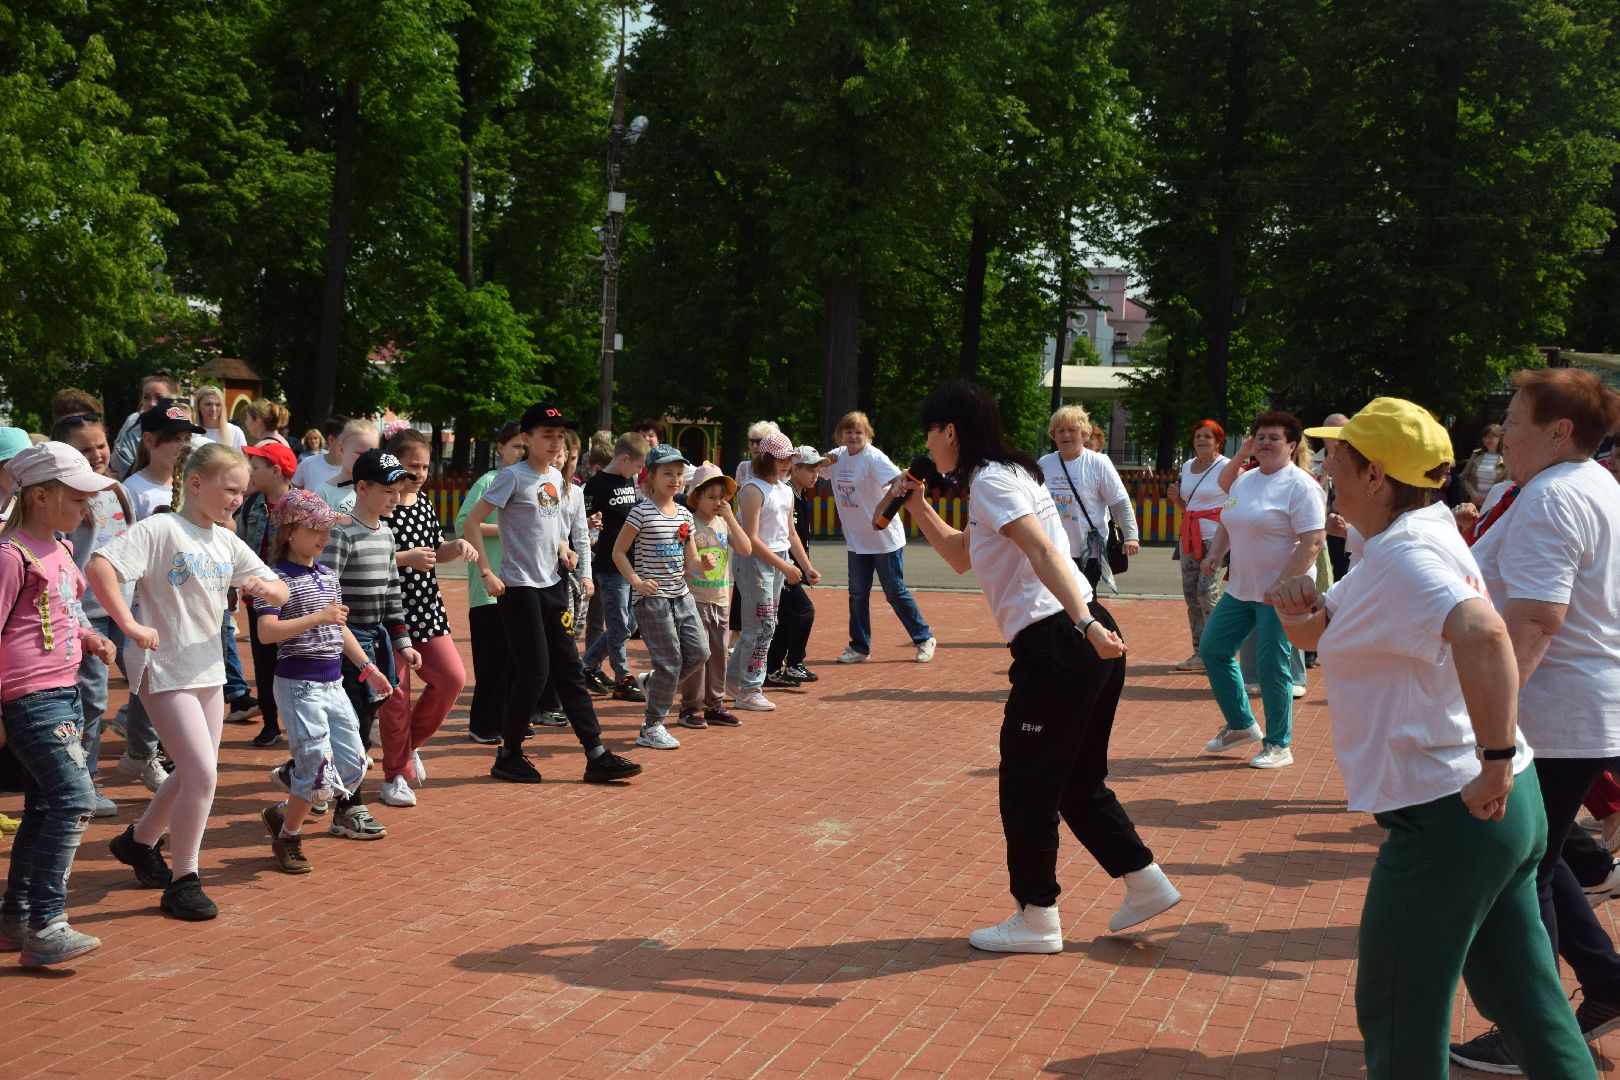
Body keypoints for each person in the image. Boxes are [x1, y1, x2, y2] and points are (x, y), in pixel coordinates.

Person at [1265, 398, 1595, 1079]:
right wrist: (1299, 613)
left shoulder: (1409, 554)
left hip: (1452, 814)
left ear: (1378, 475)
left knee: (1397, 1008)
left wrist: (1494, 759)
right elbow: (1325, 631)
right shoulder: (1410, 536)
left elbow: (1483, 631)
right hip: (1492, 812)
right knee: (1527, 1003)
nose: (1326, 464)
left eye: (1339, 455)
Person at [900, 378, 1180, 952]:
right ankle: (1144, 881)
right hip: (1081, 633)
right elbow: (961, 558)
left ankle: (1036, 916)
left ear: (949, 431)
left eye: (931, 432)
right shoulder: (1010, 475)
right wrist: (919, 508)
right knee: (1075, 780)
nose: (928, 445)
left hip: (1062, 640)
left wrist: (1083, 624)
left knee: (1027, 783)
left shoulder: (994, 481)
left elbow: (1044, 551)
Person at [1450, 367, 1620, 1074]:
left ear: (1560, 430)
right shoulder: (1585, 485)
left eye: (1515, 422)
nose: (1502, 436)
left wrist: (1495, 726)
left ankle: (1536, 1031)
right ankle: (1605, 985)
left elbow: (1538, 618)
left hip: (1550, 715)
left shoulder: (1552, 498)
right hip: (1574, 709)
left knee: (1523, 874)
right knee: (1541, 867)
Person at [89, 443, 288, 921]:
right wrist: (131, 625)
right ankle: (184, 880)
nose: (237, 499)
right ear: (196, 483)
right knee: (201, 773)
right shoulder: (161, 529)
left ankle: (138, 842)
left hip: (209, 672)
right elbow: (100, 568)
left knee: (191, 772)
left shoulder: (225, 541)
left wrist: (267, 588)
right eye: (230, 489)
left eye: (244, 492)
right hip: (164, 670)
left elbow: (279, 587)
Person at [459, 402, 643, 786]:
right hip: (519, 589)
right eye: (546, 435)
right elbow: (472, 522)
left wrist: (564, 547)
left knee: (570, 671)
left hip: (552, 586)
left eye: (559, 436)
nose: (556, 443)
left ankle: (596, 754)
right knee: (534, 671)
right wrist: (486, 571)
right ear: (526, 439)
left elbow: (546, 527)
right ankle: (509, 754)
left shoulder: (558, 482)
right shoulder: (511, 477)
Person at [0, 442, 121, 965]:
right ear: (41, 496)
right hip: (29, 698)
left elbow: (69, 609)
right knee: (76, 800)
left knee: (46, 805)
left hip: (63, 691)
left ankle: (17, 920)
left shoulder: (64, 548)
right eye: (77, 498)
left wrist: (91, 636)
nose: (85, 509)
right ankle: (48, 922)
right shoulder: (10, 556)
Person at [254, 489, 395, 874]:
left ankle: (285, 801)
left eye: (327, 530)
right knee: (317, 771)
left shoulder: (327, 575)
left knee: (352, 767)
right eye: (315, 528)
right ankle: (288, 837)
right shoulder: (274, 578)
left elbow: (340, 628)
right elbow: (267, 632)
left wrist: (369, 668)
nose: (323, 537)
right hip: (298, 684)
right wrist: (316, 618)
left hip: (333, 684)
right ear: (288, 532)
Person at [1197, 412, 1326, 769]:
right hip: (1241, 589)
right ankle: (1241, 725)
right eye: (1260, 437)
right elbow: (1228, 520)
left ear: (1292, 446)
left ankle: (1279, 744)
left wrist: (1283, 583)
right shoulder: (1244, 481)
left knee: (1272, 667)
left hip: (1280, 594)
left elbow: (1313, 540)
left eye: (1274, 438)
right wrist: (1214, 554)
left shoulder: (1301, 485)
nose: (1265, 443)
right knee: (1214, 649)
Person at [373, 428, 474, 807]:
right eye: (412, 466)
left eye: (425, 466)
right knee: (396, 696)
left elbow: (434, 551)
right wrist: (405, 558)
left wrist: (454, 548)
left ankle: (406, 747)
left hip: (427, 607)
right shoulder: (377, 504)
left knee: (452, 678)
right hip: (388, 613)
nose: (420, 473)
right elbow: (364, 553)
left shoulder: (425, 503)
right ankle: (394, 774)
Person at [49, 404, 131, 817]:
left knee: (153, 683)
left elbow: (134, 543)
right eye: (87, 449)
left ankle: (144, 753)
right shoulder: (62, 500)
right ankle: (87, 779)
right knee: (94, 699)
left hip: (127, 606)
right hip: (88, 612)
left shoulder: (119, 489)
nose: (99, 453)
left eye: (102, 444)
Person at [614, 443, 713, 750]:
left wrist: (702, 564)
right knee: (670, 662)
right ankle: (651, 726)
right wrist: (636, 582)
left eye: (679, 474)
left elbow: (690, 559)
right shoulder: (640, 512)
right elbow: (618, 552)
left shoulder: (684, 512)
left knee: (700, 653)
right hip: (652, 599)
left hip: (681, 595)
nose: (675, 480)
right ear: (652, 477)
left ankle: (653, 682)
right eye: (667, 473)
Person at [823, 412, 935, 665]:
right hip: (857, 540)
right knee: (857, 593)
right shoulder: (837, 456)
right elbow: (812, 469)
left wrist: (884, 507)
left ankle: (924, 637)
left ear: (868, 435)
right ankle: (860, 647)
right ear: (840, 434)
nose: (853, 436)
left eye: (858, 432)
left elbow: (901, 481)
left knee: (894, 592)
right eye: (848, 432)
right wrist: (811, 459)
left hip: (884, 538)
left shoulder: (873, 458)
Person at [726, 432, 816, 713]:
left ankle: (732, 681)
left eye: (789, 460)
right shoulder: (753, 490)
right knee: (763, 626)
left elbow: (790, 533)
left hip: (777, 561)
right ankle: (749, 689)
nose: (786, 465)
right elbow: (751, 539)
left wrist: (806, 566)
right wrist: (785, 566)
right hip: (755, 562)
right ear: (766, 459)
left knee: (763, 625)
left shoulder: (785, 489)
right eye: (780, 460)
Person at [456, 421, 526, 744]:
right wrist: (503, 530)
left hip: (518, 587)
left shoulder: (528, 484)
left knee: (516, 661)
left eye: (525, 448)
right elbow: (463, 524)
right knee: (492, 662)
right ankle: (482, 724)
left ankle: (509, 719)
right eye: (515, 446)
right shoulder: (488, 482)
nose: (521, 453)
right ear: (500, 448)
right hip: (487, 592)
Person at [1038, 405, 1140, 594]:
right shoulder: (1045, 464)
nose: (1066, 435)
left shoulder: (1098, 463)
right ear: (1053, 435)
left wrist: (1131, 536)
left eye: (1072, 430)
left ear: (1084, 434)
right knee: (1054, 602)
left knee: (1083, 599)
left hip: (1089, 551)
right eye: (1060, 430)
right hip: (1054, 548)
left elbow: (1119, 502)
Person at [679, 464, 750, 729]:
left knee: (719, 653)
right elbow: (686, 558)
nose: (717, 502)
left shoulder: (723, 522)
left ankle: (714, 704)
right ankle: (690, 706)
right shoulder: (688, 522)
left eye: (721, 496)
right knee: (698, 653)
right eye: (710, 497)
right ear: (697, 496)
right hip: (695, 597)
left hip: (720, 597)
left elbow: (745, 548)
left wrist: (731, 519)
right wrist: (700, 562)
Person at [237, 441, 298, 748]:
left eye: (256, 466)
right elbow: (241, 545)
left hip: (293, 599)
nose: (250, 471)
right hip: (258, 598)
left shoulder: (300, 505)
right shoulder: (250, 504)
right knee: (263, 661)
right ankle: (270, 722)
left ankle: (298, 720)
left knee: (294, 659)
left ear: (275, 472)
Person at [580, 432, 649, 701]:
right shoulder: (596, 485)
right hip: (609, 565)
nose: (639, 471)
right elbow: (583, 520)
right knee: (620, 623)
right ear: (623, 458)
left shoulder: (628, 480)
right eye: (637, 465)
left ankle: (584, 665)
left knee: (629, 623)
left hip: (631, 563)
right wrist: (591, 527)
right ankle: (623, 677)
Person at [1168, 419, 1229, 671]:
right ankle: (1199, 653)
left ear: (1218, 441)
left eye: (1207, 436)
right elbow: (1190, 507)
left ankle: (1217, 650)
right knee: (1191, 595)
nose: (1202, 440)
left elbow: (1239, 500)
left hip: (1217, 537)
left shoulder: (1227, 467)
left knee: (1207, 593)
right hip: (1189, 536)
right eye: (1198, 436)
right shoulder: (1186, 466)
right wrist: (1176, 500)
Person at [766, 446, 824, 686]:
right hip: (780, 566)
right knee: (803, 611)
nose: (815, 475)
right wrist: (791, 566)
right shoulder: (783, 492)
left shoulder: (799, 494)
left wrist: (806, 566)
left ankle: (773, 668)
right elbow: (785, 535)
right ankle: (793, 664)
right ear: (795, 467)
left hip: (792, 568)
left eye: (817, 470)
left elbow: (795, 535)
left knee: (787, 617)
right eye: (810, 469)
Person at [125, 400, 204, 518]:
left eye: (187, 438)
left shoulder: (193, 483)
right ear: (149, 440)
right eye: (176, 439)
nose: (185, 446)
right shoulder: (131, 490)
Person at [111, 373, 178, 478]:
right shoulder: (132, 424)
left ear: (172, 401)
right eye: (146, 397)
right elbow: (118, 462)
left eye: (159, 398)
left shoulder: (183, 429)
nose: (151, 403)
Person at [312, 417, 380, 515]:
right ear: (342, 449)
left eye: (373, 454)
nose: (367, 459)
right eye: (360, 453)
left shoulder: (379, 488)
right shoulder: (324, 493)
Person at [290, 415, 349, 490]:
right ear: (331, 439)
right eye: (346, 439)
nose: (352, 443)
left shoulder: (356, 468)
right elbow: (294, 492)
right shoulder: (307, 463)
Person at [1460, 424, 1507, 507]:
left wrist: (1486, 496)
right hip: (1473, 503)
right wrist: (1472, 493)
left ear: (1500, 438)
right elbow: (1463, 477)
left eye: (1490, 437)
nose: (1487, 440)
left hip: (1493, 505)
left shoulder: (1506, 458)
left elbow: (1506, 483)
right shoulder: (1476, 455)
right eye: (1485, 437)